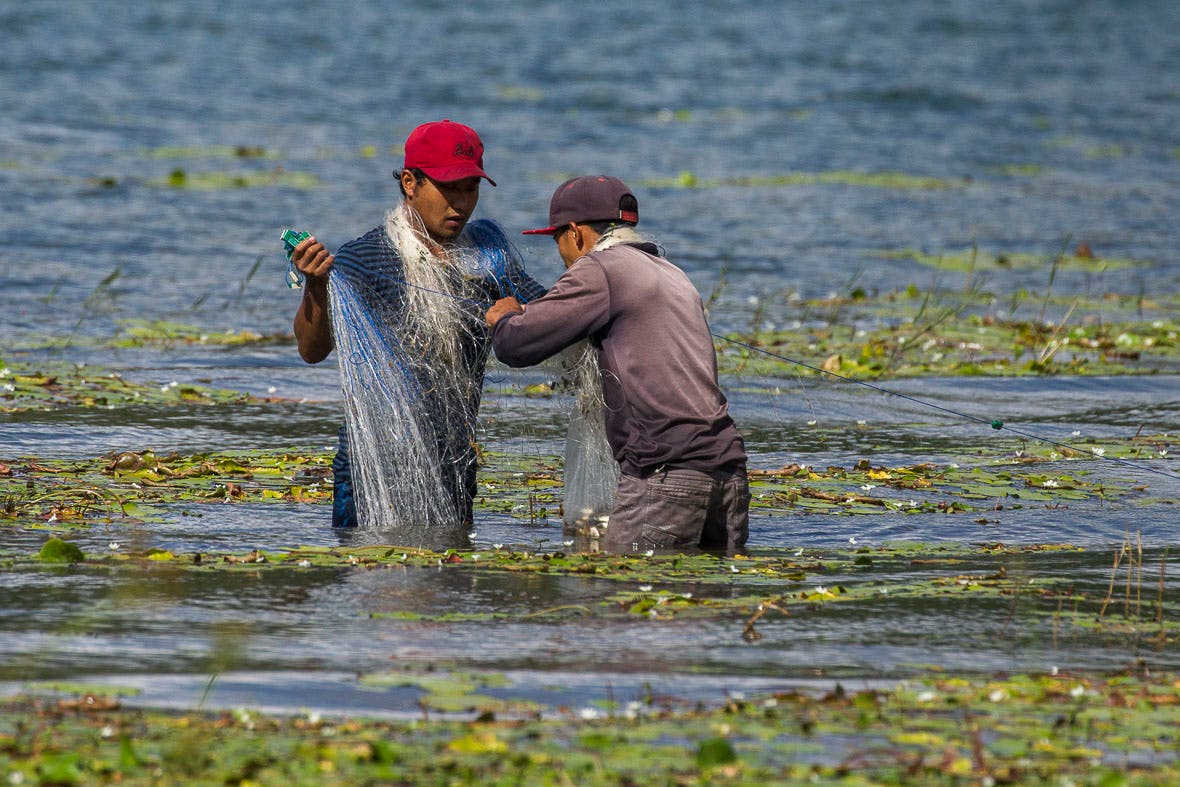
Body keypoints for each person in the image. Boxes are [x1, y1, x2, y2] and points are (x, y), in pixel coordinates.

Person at [290, 119, 546, 533]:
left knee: (451, 588)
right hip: (377, 464)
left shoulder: (486, 257)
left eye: (471, 188)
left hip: (454, 465)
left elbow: (554, 315)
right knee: (383, 585)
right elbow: (311, 350)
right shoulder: (366, 259)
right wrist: (316, 287)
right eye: (449, 189)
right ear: (410, 183)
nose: (461, 204)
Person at [485, 176, 749, 554]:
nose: (562, 258)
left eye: (558, 241)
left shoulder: (601, 268)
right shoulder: (672, 273)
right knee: (704, 603)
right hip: (729, 471)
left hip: (665, 472)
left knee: (625, 600)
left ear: (575, 233)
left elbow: (517, 346)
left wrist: (506, 317)